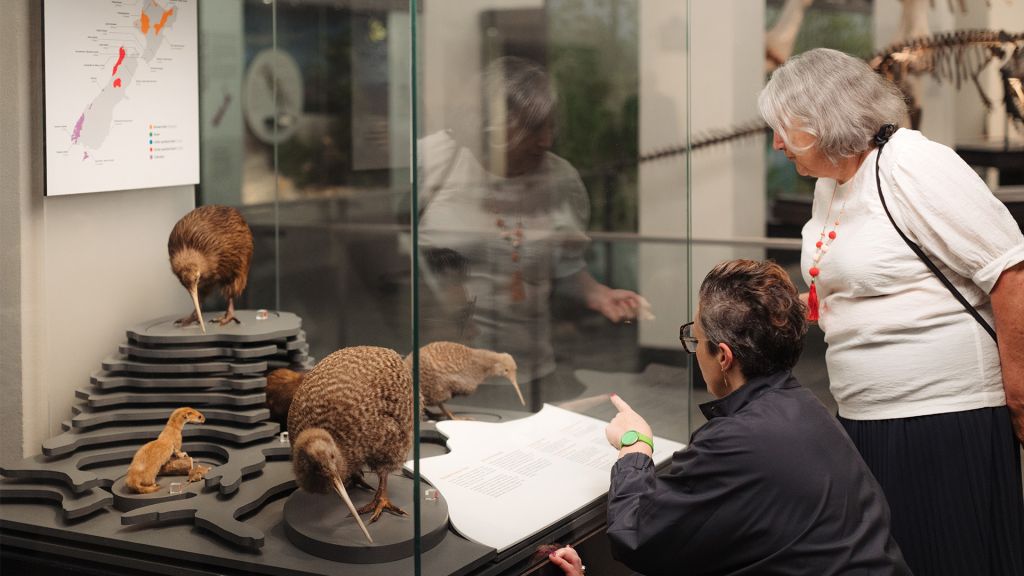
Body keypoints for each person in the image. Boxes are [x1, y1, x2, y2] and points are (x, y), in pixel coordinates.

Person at [758, 48, 1024, 575]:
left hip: (944, 418)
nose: (776, 143)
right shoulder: (829, 185)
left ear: (822, 119)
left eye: (783, 128)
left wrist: (1019, 392)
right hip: (868, 417)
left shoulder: (914, 164)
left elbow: (1010, 271)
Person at [603, 259, 910, 575]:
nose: (694, 352)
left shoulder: (735, 441)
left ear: (723, 356)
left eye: (694, 339)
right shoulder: (805, 407)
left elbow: (637, 535)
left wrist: (634, 445)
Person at [417, 57, 643, 411]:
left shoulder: (561, 179)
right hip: (446, 372)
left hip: (533, 370)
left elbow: (567, 265)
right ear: (492, 124)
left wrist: (597, 294)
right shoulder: (435, 164)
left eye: (550, 127)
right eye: (533, 128)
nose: (546, 140)